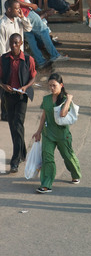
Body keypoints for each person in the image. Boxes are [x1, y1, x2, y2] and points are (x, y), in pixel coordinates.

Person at [32, 73, 81, 193]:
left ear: (61, 85)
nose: (52, 88)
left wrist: (69, 100)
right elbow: (44, 116)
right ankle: (46, 184)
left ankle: (75, 173)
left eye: (54, 85)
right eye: (50, 86)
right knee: (47, 158)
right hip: (48, 134)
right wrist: (38, 132)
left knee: (68, 157)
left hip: (62, 135)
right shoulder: (46, 99)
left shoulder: (65, 99)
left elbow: (63, 114)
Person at [0, 33, 36, 173]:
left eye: (16, 43)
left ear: (21, 44)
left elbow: (33, 76)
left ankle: (15, 160)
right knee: (13, 126)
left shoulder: (28, 59)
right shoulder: (4, 59)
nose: (13, 45)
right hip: (8, 96)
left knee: (17, 124)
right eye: (11, 43)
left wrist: (25, 87)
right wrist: (3, 86)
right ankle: (23, 153)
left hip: (22, 97)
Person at [23, 0, 69, 68]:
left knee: (31, 40)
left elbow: (36, 14)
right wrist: (46, 14)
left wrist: (45, 11)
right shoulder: (29, 3)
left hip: (23, 19)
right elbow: (36, 20)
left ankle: (40, 61)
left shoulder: (24, 0)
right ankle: (54, 55)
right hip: (27, 17)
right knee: (44, 32)